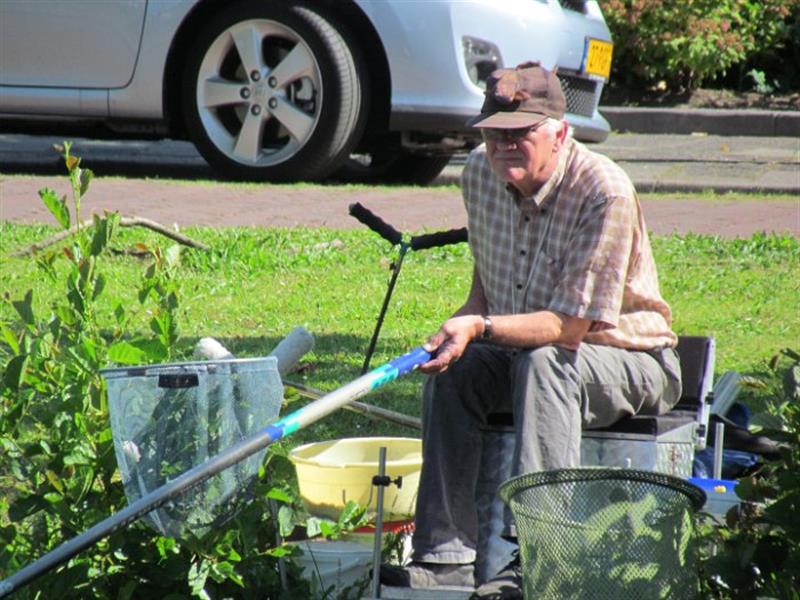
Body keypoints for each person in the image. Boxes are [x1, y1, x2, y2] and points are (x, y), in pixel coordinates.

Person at [380, 62, 682, 599]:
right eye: (494, 133)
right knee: (454, 373)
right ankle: (444, 560)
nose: (503, 146)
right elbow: (487, 283)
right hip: (522, 349)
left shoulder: (604, 190)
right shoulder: (480, 174)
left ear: (560, 134)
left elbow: (568, 328)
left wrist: (480, 325)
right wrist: (462, 329)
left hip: (627, 357)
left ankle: (542, 560)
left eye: (520, 133)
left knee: (546, 362)